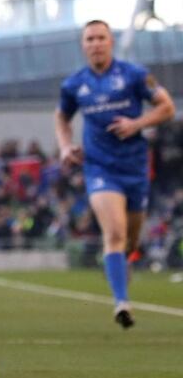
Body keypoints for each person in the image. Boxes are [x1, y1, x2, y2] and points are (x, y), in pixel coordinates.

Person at [54, 19, 175, 329]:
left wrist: (137, 124)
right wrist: (65, 146)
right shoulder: (74, 84)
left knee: (130, 240)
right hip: (100, 168)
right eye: (90, 39)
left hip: (135, 168)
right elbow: (62, 117)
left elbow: (167, 107)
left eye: (101, 38)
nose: (96, 43)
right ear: (83, 45)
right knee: (115, 233)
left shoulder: (134, 75)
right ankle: (122, 303)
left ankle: (122, 264)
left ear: (111, 42)